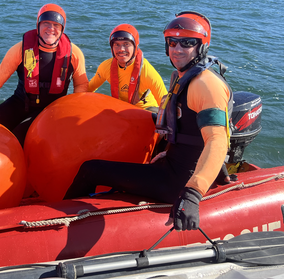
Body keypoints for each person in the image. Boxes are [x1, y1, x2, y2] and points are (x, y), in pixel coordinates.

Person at [64, 11, 233, 232]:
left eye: (187, 43)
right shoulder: (185, 76)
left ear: (201, 46)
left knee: (91, 169)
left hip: (178, 182)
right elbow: (189, 128)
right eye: (172, 42)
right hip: (174, 164)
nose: (177, 49)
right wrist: (169, 150)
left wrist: (192, 194)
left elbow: (218, 139)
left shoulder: (206, 85)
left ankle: (59, 224)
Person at [0, 3, 88, 146]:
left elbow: (81, 84)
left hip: (50, 110)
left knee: (15, 139)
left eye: (56, 25)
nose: (51, 29)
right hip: (20, 102)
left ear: (62, 29)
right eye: (46, 23)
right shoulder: (20, 49)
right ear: (38, 25)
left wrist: (71, 111)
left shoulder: (74, 53)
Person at [88, 24, 167, 112]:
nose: (121, 49)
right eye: (116, 45)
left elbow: (166, 105)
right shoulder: (105, 67)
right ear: (111, 48)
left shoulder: (147, 72)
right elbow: (87, 90)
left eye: (126, 44)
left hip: (145, 110)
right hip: (121, 110)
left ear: (135, 47)